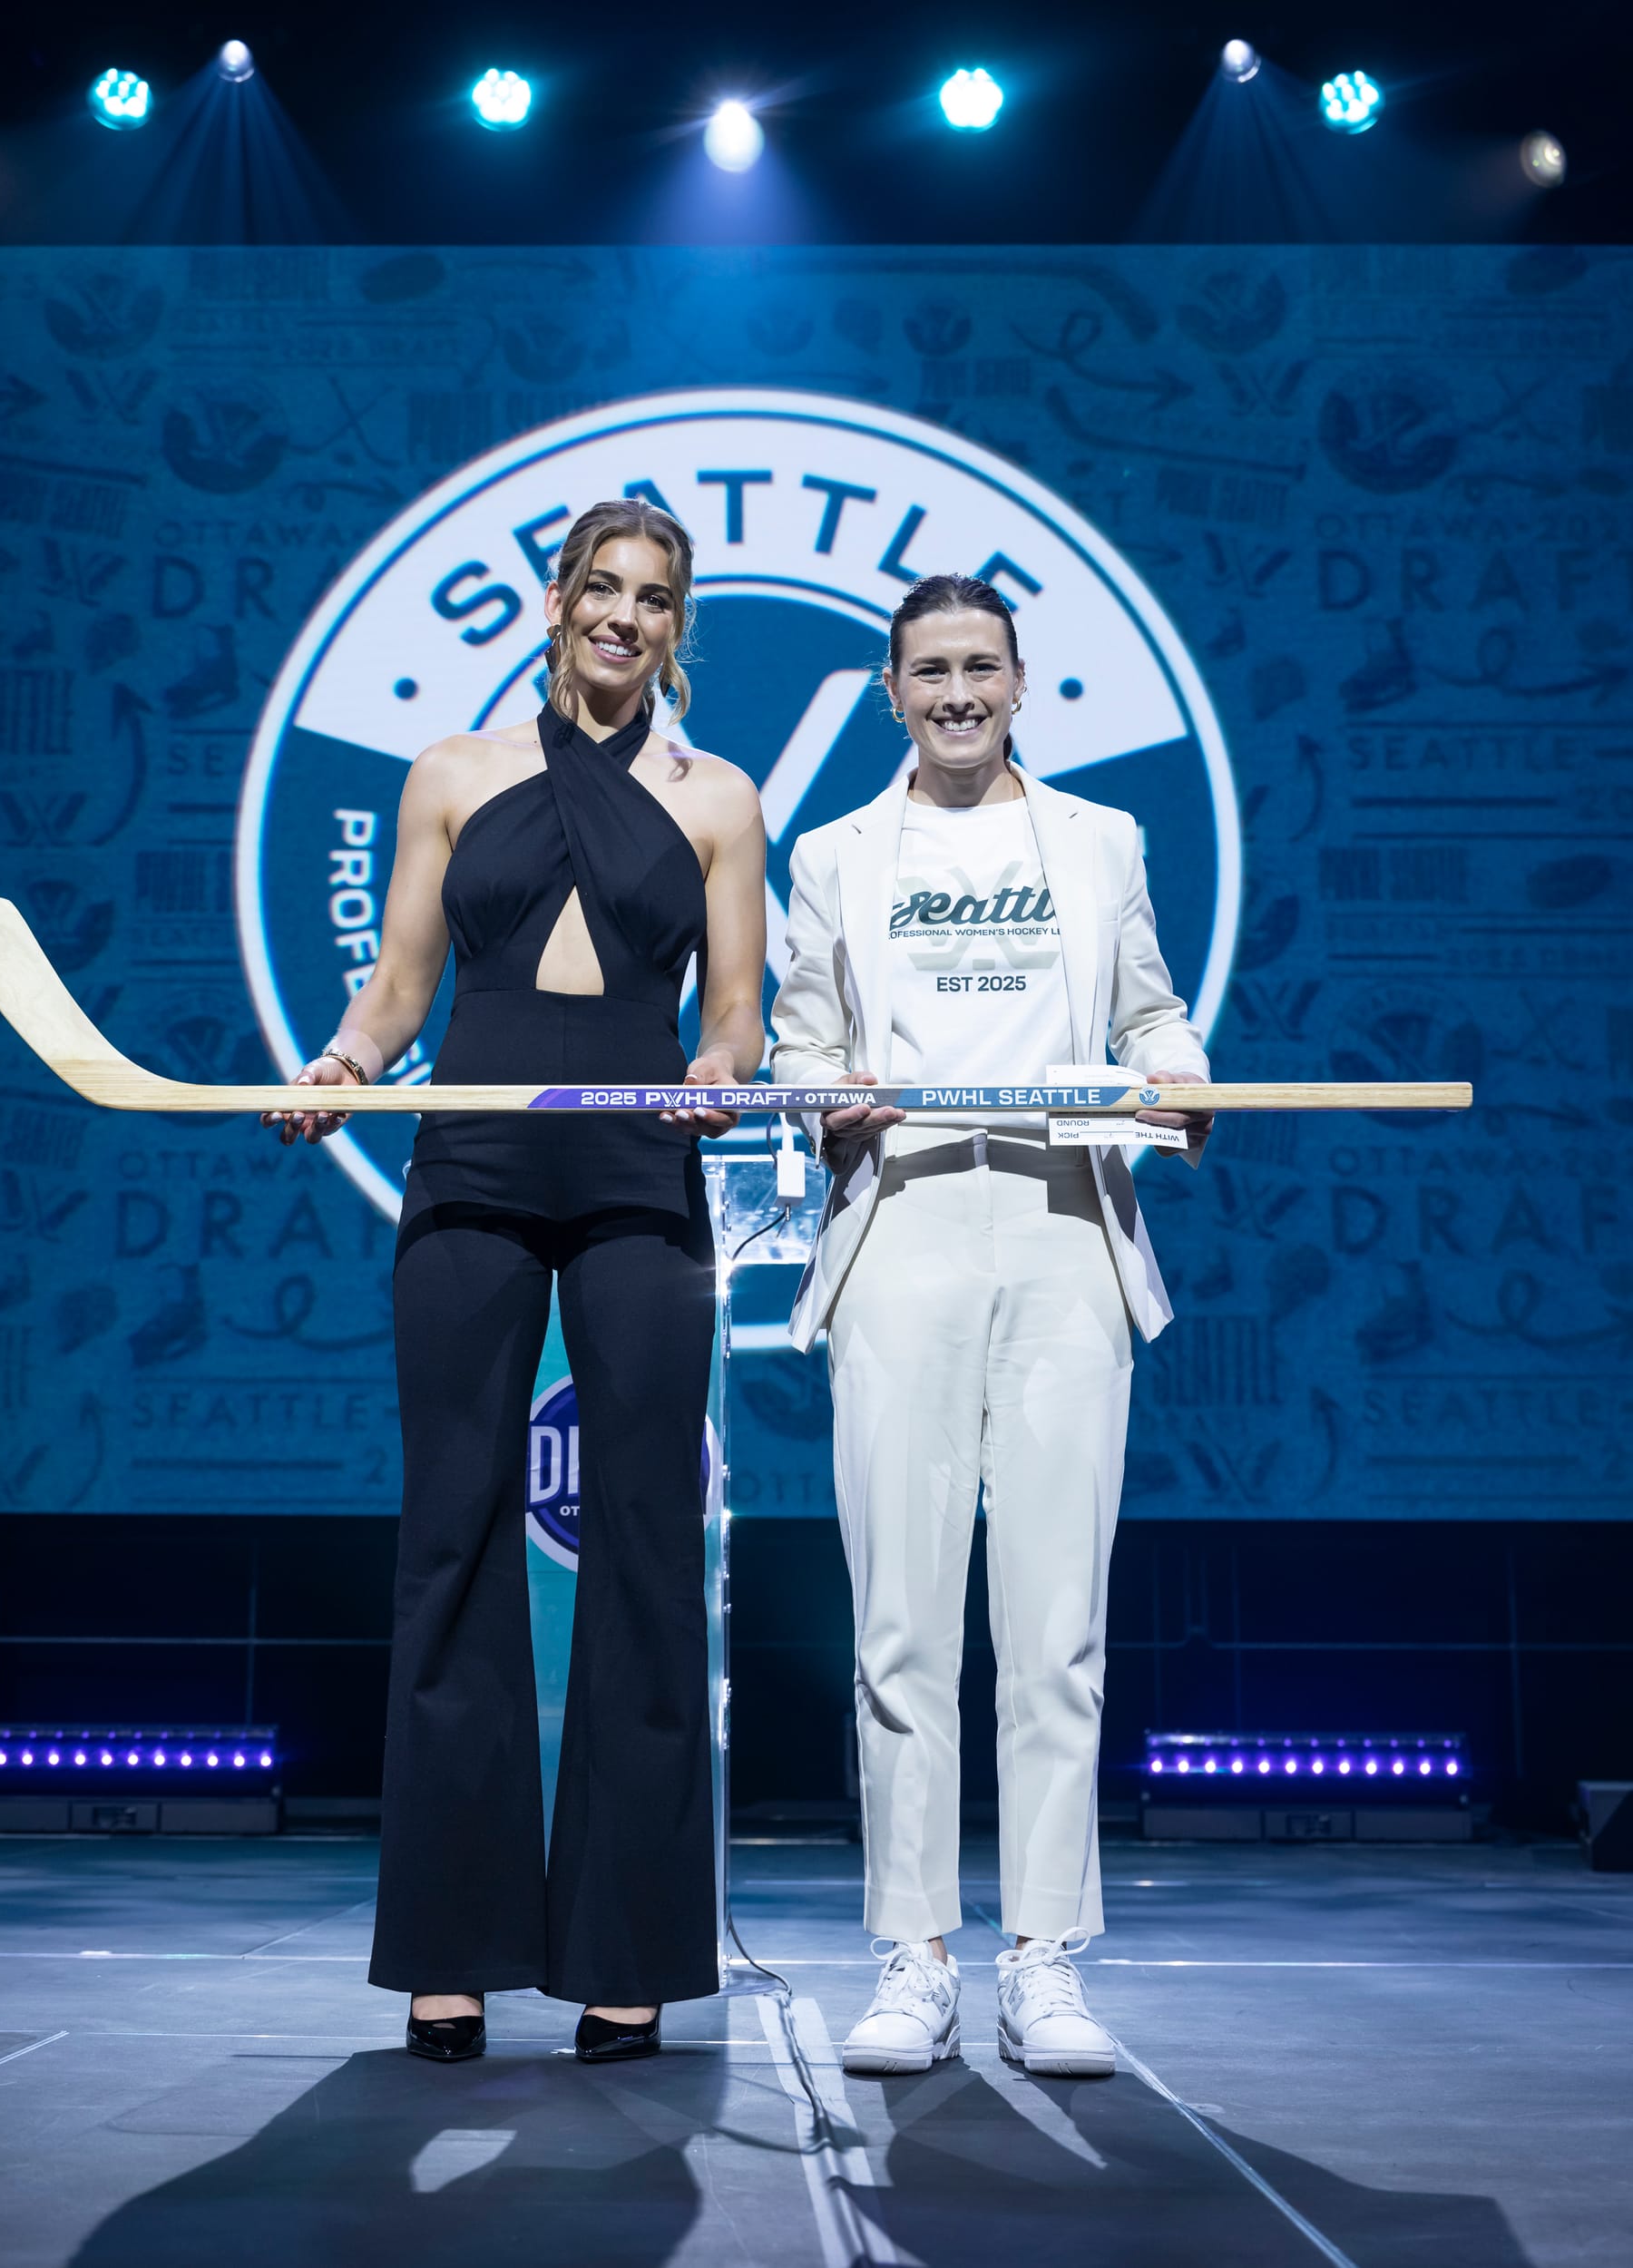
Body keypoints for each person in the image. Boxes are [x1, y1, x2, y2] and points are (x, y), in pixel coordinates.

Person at [265, 499, 768, 2066]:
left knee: (645, 1544)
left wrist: (718, 1073)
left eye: (656, 599)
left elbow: (737, 1017)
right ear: (557, 601)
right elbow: (398, 990)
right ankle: (452, 1951)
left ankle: (628, 1952)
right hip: (472, 1166)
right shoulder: (450, 774)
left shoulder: (719, 799)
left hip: (639, 1177)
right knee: (454, 1537)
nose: (626, 616)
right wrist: (347, 1063)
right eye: (603, 588)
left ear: (678, 626)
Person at [770, 572, 1212, 2080]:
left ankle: (1044, 1958)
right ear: (891, 692)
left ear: (1021, 683)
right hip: (902, 1226)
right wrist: (825, 1099)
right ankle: (915, 1956)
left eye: (981, 668)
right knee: (901, 1626)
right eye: (930, 672)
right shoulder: (832, 854)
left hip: (1065, 1222)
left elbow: (1148, 1017)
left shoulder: (1101, 840)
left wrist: (1182, 1076)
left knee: (1056, 1626)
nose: (957, 694)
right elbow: (803, 1044)